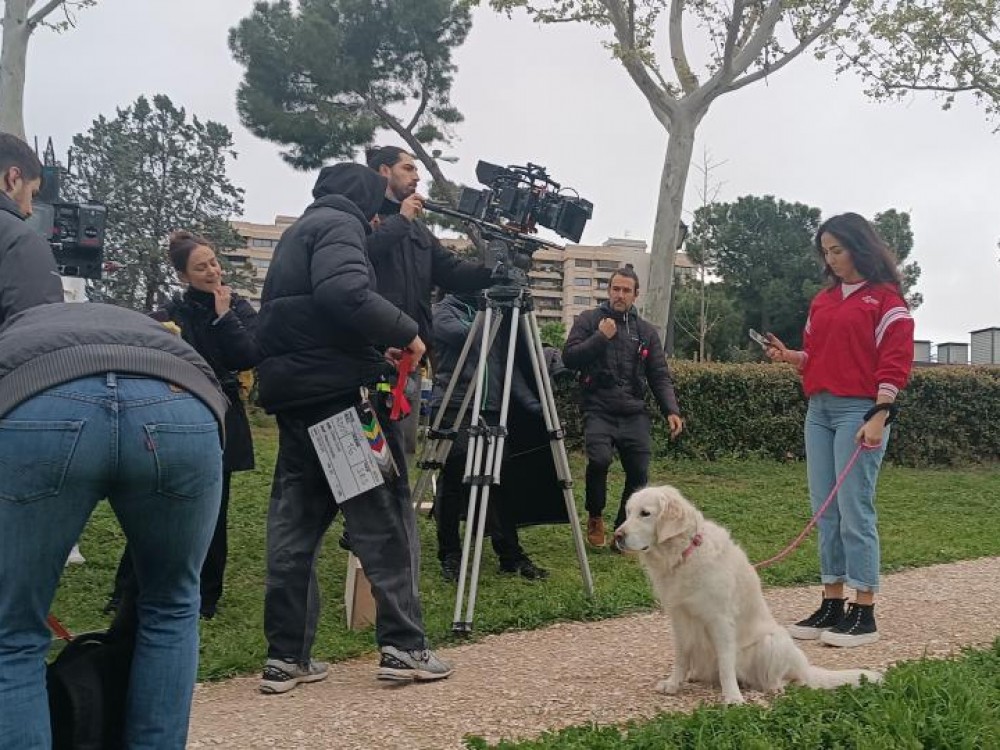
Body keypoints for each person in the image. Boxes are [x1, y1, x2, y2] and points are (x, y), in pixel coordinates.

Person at [254, 162, 451, 693]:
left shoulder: (299, 232)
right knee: (382, 521)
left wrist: (368, 349)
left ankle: (285, 657)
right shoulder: (342, 225)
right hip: (343, 405)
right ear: (363, 199)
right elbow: (344, 292)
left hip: (297, 400)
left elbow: (312, 316)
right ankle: (404, 647)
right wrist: (406, 332)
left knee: (294, 531)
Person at [0, 302, 227, 750]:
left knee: (12, 631)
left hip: (40, 400)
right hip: (182, 402)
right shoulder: (142, 326)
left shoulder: (15, 334)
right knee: (172, 606)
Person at [765, 212, 913, 648]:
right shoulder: (824, 301)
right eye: (825, 252)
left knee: (855, 510)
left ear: (859, 247)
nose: (830, 260)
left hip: (860, 411)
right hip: (820, 410)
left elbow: (895, 361)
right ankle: (832, 602)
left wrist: (880, 414)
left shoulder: (887, 301)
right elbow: (818, 355)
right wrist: (791, 357)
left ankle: (864, 611)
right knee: (825, 510)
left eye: (837, 250)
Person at [108, 230, 260, 619]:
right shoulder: (170, 312)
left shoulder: (237, 307)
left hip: (221, 413)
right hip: (176, 411)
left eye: (214, 262)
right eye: (201, 267)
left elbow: (248, 355)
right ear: (183, 276)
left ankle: (207, 596)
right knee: (155, 502)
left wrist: (224, 317)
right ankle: (126, 591)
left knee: (215, 509)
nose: (212, 271)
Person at [365, 145, 493, 454]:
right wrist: (401, 220)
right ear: (384, 171)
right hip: (368, 355)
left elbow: (451, 271)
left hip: (409, 356)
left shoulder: (419, 230)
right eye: (408, 168)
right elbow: (365, 253)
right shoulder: (362, 216)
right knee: (367, 452)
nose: (417, 177)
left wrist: (493, 271)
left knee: (399, 449)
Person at [562, 264, 684, 548]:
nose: (620, 294)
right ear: (608, 291)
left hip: (633, 411)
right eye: (615, 289)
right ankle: (595, 515)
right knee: (599, 461)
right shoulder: (589, 320)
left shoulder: (646, 331)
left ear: (635, 295)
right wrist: (600, 337)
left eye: (626, 290)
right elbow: (569, 358)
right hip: (598, 407)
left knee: (639, 473)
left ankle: (623, 531)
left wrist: (671, 410)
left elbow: (659, 374)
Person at [430, 291, 549, 581]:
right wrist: (494, 312)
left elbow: (507, 369)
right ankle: (450, 554)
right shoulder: (443, 311)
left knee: (499, 481)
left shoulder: (494, 315)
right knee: (453, 480)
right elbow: (468, 337)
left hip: (492, 409)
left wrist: (535, 405)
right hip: (456, 406)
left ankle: (510, 555)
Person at [0, 132, 63, 326]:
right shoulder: (19, 241)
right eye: (32, 194)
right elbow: (38, 334)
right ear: (13, 178)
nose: (29, 210)